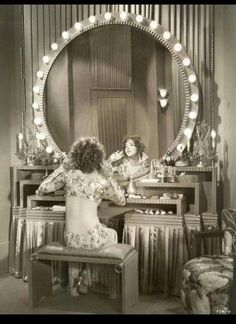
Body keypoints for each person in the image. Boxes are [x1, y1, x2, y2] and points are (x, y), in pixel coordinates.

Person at [36, 136, 126, 296]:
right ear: (99, 157)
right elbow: (121, 200)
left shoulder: (68, 174)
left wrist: (62, 168)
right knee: (111, 234)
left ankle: (75, 282)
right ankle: (87, 277)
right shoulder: (102, 179)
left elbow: (43, 187)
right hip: (92, 237)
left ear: (75, 155)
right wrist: (109, 174)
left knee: (86, 238)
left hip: (70, 236)